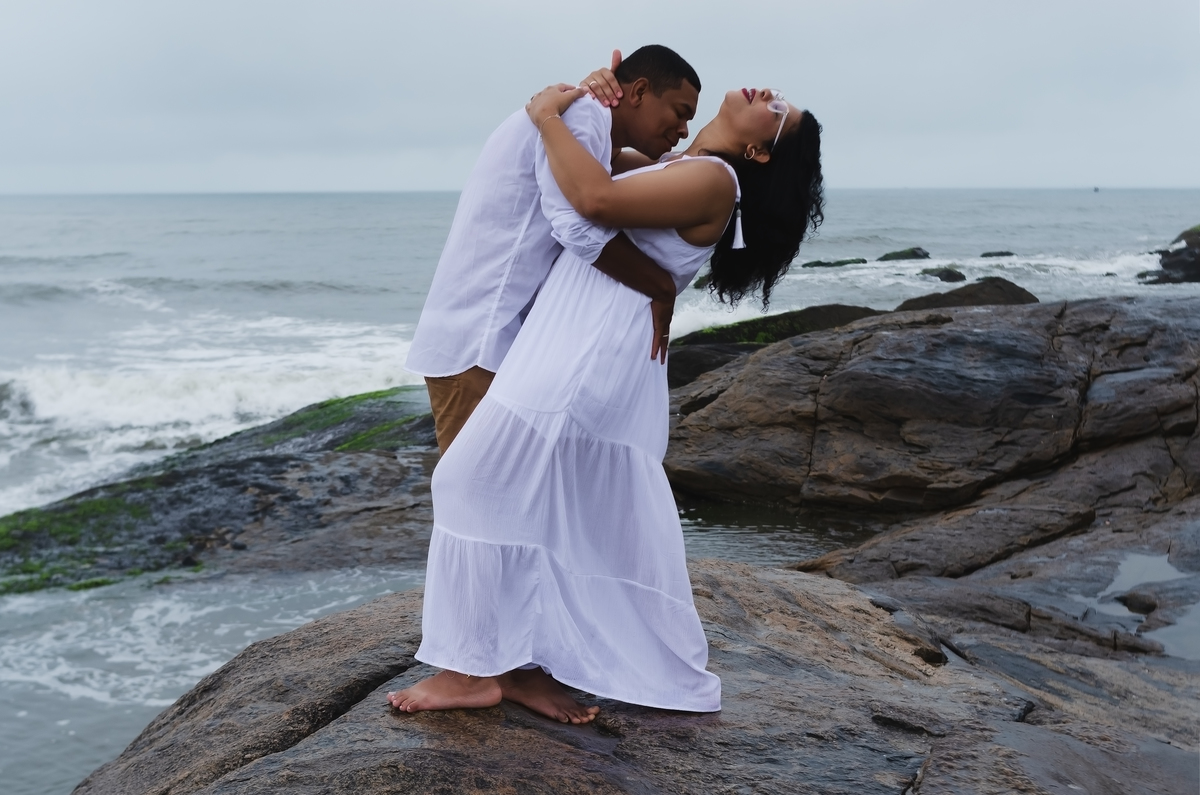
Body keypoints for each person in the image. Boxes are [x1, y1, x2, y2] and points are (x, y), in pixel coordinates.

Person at [389, 82, 824, 721]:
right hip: (578, 344)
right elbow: (604, 161)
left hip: (584, 354)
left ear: (760, 151)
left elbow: (593, 198)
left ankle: (469, 673)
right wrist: (599, 94)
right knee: (526, 500)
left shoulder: (713, 180)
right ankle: (517, 664)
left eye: (780, 111)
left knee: (470, 482)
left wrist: (543, 114)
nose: (771, 93)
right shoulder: (683, 170)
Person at [405, 45, 701, 454]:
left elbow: (620, 173)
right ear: (639, 92)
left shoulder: (586, 124)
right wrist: (660, 286)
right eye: (681, 112)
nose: (684, 127)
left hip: (492, 343)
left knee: (502, 500)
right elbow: (576, 225)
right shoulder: (578, 115)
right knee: (479, 502)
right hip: (479, 344)